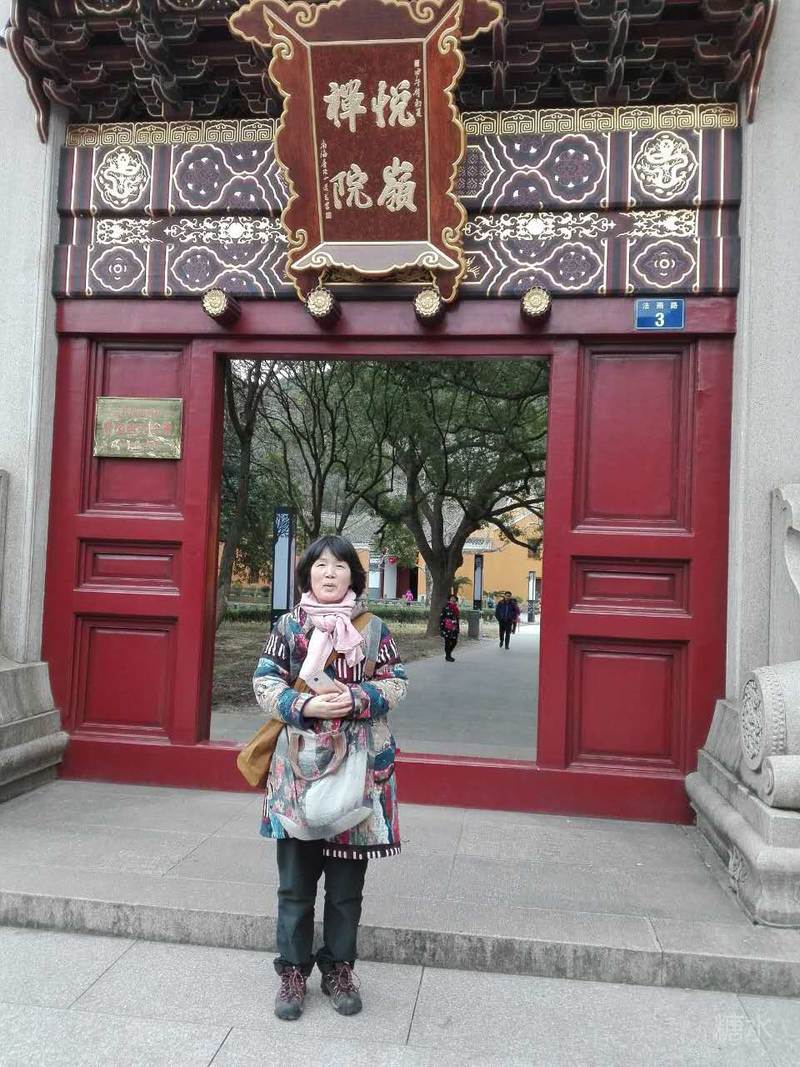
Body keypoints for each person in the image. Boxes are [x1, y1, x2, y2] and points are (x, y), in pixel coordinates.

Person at [252, 535, 408, 1022]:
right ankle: (292, 972)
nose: (329, 573)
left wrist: (357, 698)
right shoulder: (288, 627)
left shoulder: (374, 629)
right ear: (307, 574)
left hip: (357, 775)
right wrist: (305, 704)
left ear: (353, 577)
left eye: (339, 566)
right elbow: (264, 681)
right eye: (320, 565)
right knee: (295, 885)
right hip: (297, 772)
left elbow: (397, 682)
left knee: (345, 889)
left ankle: (339, 969)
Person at [439, 593, 460, 662]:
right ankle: (448, 656)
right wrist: (441, 628)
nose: (453, 601)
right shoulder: (445, 608)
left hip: (454, 629)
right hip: (447, 628)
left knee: (454, 642)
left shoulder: (456, 609)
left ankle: (448, 654)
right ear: (449, 600)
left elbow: (457, 619)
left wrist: (458, 628)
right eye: (452, 599)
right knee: (447, 642)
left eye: (454, 600)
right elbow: (442, 618)